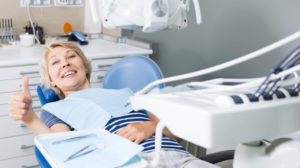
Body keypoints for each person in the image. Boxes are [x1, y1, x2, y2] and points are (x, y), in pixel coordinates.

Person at [9, 41, 218, 168]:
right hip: (130, 163)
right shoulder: (54, 109)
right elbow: (60, 143)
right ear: (52, 81)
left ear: (85, 66)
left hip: (179, 158)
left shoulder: (126, 94)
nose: (65, 62)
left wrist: (151, 126)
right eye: (55, 62)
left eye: (71, 56)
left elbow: (178, 132)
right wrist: (30, 119)